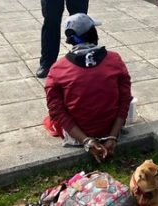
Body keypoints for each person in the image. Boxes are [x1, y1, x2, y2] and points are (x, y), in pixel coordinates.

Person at [44, 13, 133, 163]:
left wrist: (87, 141)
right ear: (93, 33)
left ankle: (85, 139)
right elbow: (125, 100)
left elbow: (55, 110)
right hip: (110, 131)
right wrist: (112, 136)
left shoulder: (58, 69)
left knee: (51, 118)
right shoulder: (114, 59)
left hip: (78, 137)